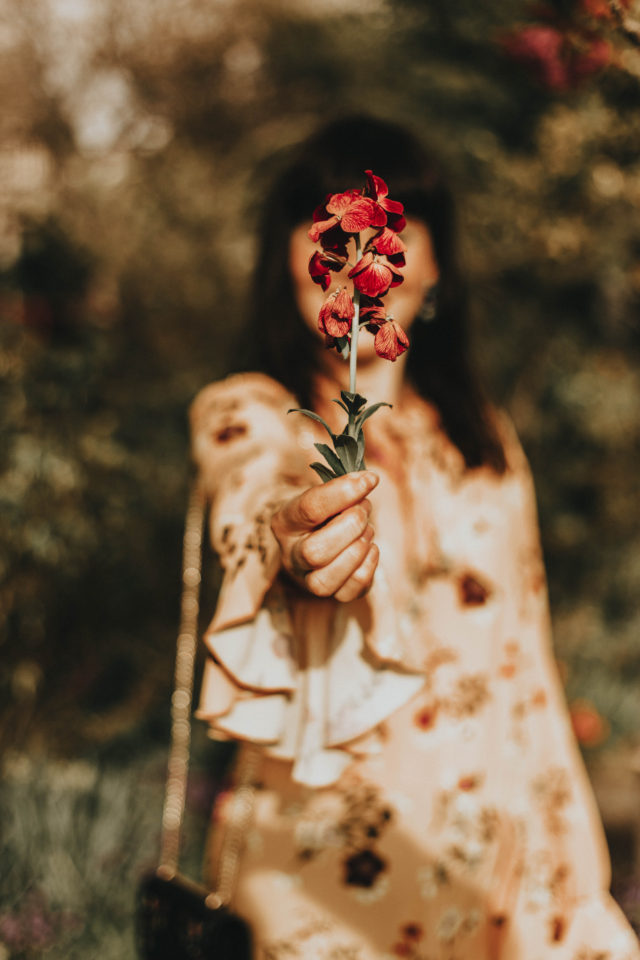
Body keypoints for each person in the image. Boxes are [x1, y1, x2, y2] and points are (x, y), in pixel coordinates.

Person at [189, 116, 639, 960]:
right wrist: (298, 541)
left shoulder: (486, 440)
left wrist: (578, 879)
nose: (361, 258)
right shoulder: (248, 412)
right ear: (287, 255)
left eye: (391, 228)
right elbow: (257, 499)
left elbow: (528, 665)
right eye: (325, 226)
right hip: (324, 889)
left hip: (503, 879)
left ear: (432, 263)